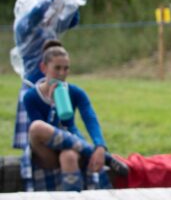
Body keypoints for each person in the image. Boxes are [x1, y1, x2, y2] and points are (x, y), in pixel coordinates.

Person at [22, 46, 128, 192]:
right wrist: (53, 105)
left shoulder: (75, 92)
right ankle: (102, 156)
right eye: (57, 68)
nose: (61, 73)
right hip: (45, 148)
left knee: (69, 157)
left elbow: (90, 118)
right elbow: (44, 132)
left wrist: (100, 145)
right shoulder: (31, 97)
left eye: (66, 69)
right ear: (44, 67)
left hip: (71, 142)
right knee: (36, 128)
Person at [11, 0, 88, 151]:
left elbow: (72, 20)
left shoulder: (47, 27)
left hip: (55, 89)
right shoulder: (23, 27)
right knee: (34, 144)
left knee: (60, 140)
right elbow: (36, 13)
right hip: (33, 88)